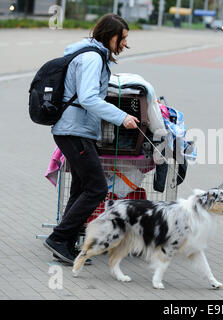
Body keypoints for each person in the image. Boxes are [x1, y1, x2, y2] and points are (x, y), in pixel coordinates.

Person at [44, 13, 140, 265]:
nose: (125, 44)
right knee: (97, 187)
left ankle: (65, 241)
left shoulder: (93, 56)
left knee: (80, 186)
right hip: (73, 130)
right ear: (110, 35)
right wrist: (122, 117)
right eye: (123, 38)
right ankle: (59, 237)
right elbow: (87, 97)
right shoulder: (91, 58)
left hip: (77, 130)